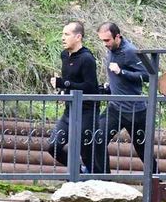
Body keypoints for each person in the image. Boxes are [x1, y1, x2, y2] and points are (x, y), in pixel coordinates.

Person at [96, 22, 158, 174]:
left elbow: (148, 75)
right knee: (97, 139)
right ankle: (103, 178)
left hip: (135, 111)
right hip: (115, 108)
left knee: (143, 149)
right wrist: (110, 87)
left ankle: (156, 180)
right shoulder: (111, 50)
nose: (105, 44)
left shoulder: (130, 51)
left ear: (117, 36)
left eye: (107, 40)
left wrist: (122, 72)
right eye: (102, 40)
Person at [47, 21, 105, 174]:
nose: (62, 38)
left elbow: (90, 87)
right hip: (70, 111)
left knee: (86, 150)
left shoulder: (87, 58)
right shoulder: (64, 55)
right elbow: (71, 81)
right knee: (53, 147)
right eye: (63, 34)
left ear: (78, 37)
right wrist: (64, 91)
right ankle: (79, 172)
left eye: (67, 34)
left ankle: (97, 178)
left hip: (86, 111)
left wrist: (64, 83)